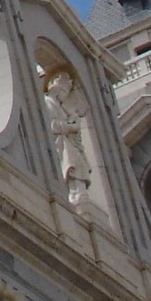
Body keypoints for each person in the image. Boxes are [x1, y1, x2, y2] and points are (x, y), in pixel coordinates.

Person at [44, 72, 92, 205]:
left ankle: (78, 190)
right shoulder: (48, 103)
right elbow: (52, 126)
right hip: (58, 143)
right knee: (71, 156)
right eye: (64, 90)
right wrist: (71, 127)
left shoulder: (60, 107)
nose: (66, 94)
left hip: (66, 142)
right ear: (56, 89)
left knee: (76, 157)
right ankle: (76, 191)